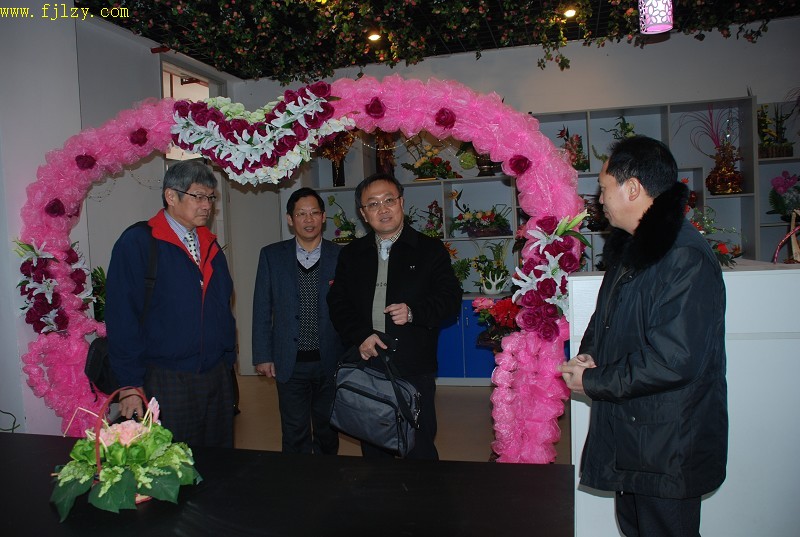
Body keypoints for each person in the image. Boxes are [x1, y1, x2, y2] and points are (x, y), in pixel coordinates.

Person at [558, 136, 728, 537]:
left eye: (604, 188)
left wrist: (594, 381)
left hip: (669, 443)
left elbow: (674, 360)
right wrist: (590, 355)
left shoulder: (683, 257)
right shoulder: (636, 248)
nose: (599, 199)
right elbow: (607, 318)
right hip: (638, 434)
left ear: (632, 188)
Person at [327, 172, 462, 460]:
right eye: (373, 204)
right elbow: (338, 303)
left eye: (389, 200)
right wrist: (360, 336)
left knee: (419, 445)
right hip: (368, 363)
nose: (383, 209)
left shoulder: (429, 249)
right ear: (363, 213)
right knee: (374, 445)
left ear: (401, 202)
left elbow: (450, 300)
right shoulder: (352, 254)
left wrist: (414, 312)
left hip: (413, 365)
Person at [105, 160, 237, 448]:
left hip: (215, 376)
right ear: (171, 196)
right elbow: (121, 317)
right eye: (198, 196)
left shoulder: (210, 244)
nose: (207, 205)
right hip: (166, 377)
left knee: (221, 460)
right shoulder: (139, 242)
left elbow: (223, 304)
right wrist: (129, 384)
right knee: (172, 461)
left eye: (210, 197)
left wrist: (227, 359)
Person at [252, 187, 343, 455]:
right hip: (289, 361)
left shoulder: (341, 256)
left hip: (331, 359)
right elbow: (261, 308)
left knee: (328, 429)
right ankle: (297, 479)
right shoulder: (272, 256)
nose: (308, 219)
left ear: (323, 217)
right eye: (301, 214)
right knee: (294, 432)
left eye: (314, 213)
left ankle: (327, 477)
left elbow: (351, 309)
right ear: (290, 219)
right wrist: (263, 355)